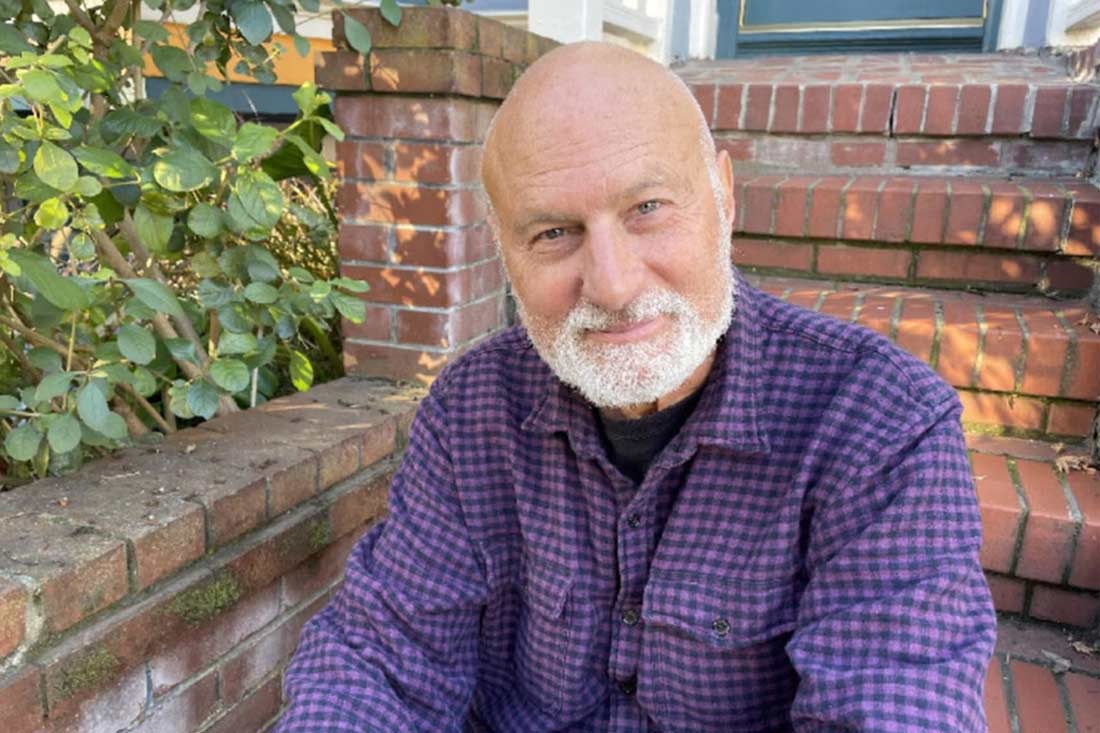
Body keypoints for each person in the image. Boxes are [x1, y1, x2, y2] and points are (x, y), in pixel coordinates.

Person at [276, 42, 996, 732]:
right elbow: (380, 660)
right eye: (554, 232)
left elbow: (898, 701)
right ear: (504, 252)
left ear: (725, 196)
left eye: (647, 207)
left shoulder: (880, 425)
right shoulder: (471, 412)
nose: (614, 284)